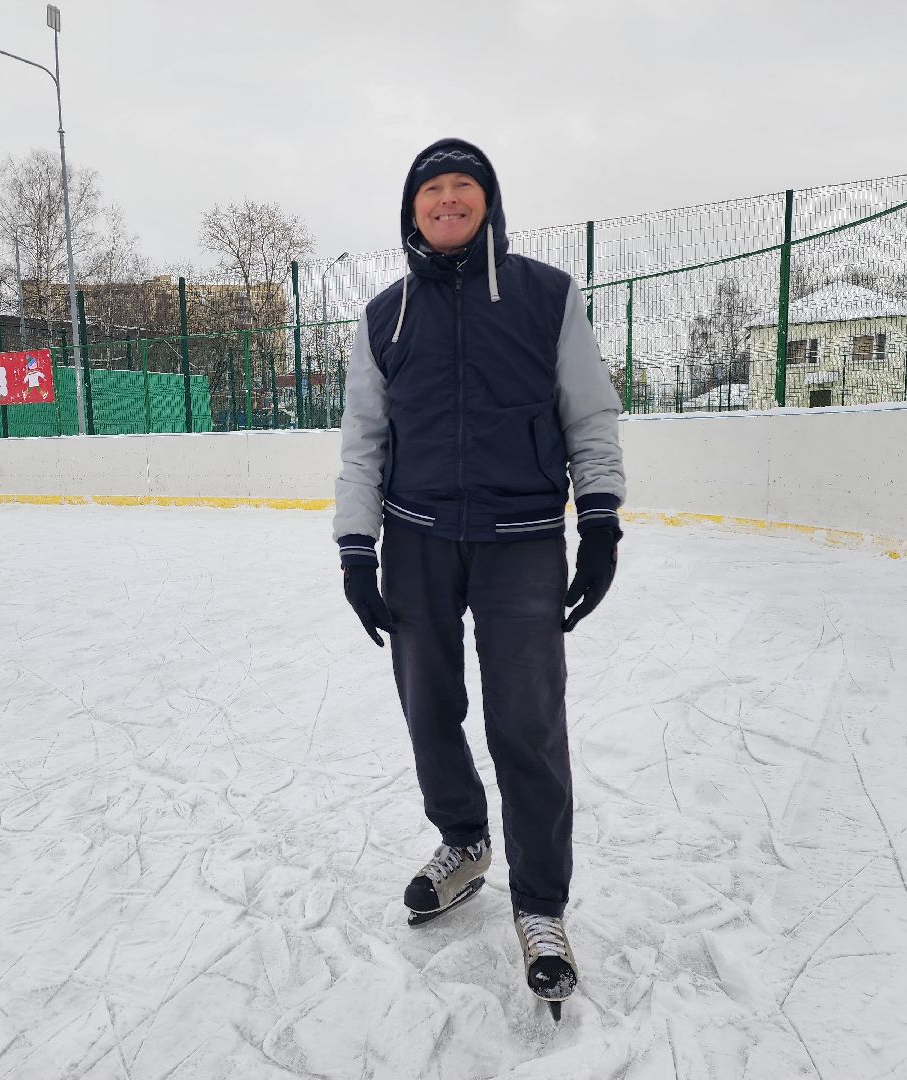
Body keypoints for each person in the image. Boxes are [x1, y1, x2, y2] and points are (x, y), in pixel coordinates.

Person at [332, 138, 625, 1017]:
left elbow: (590, 409)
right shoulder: (385, 316)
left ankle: (541, 906)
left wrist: (600, 518)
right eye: (433, 190)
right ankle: (464, 842)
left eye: (464, 187)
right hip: (416, 538)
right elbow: (363, 441)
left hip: (524, 537)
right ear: (412, 210)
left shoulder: (546, 297)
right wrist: (355, 547)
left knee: (527, 723)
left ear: (488, 203)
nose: (448, 201)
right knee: (428, 706)